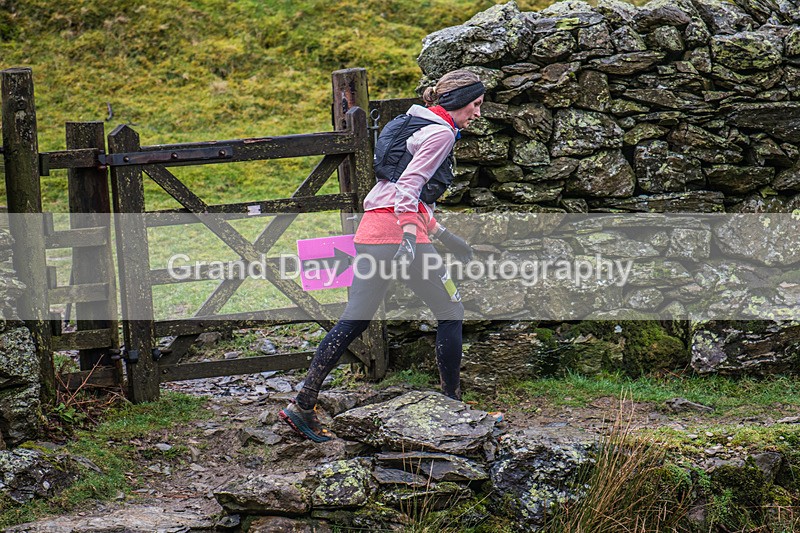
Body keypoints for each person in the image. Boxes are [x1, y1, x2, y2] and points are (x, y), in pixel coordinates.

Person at [279, 70, 485, 442]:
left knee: (354, 319)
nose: (478, 114)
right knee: (451, 312)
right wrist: (411, 235)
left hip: (371, 232)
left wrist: (442, 234)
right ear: (458, 102)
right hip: (400, 236)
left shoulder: (414, 122)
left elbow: (394, 190)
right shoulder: (440, 132)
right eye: (475, 105)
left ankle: (302, 403)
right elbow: (409, 187)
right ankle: (453, 404)